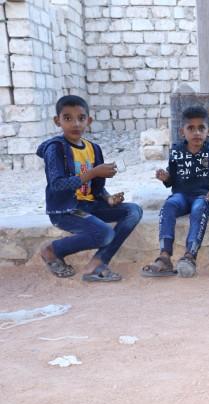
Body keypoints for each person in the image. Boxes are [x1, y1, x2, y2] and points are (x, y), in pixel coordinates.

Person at [36, 95, 142, 282]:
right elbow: (57, 184)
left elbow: (97, 186)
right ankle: (52, 250)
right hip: (67, 210)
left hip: (90, 206)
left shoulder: (93, 148)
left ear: (89, 121)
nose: (75, 123)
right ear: (57, 121)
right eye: (67, 118)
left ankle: (98, 263)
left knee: (133, 210)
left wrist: (108, 198)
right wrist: (93, 172)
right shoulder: (56, 148)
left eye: (81, 118)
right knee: (104, 233)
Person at [141, 106, 209, 278]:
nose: (196, 132)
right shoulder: (176, 152)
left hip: (202, 197)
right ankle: (164, 256)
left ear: (208, 131)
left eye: (201, 128)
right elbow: (172, 180)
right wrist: (166, 178)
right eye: (190, 128)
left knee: (199, 209)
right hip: (181, 196)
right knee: (169, 205)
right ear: (182, 131)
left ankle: (190, 256)